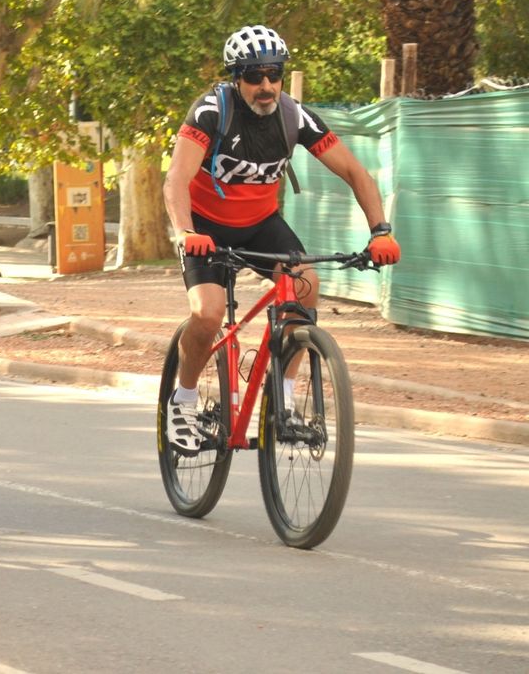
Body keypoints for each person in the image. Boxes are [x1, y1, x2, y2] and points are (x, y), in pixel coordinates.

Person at [161, 24, 401, 455]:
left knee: (306, 285)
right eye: (255, 76)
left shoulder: (295, 117)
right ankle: (184, 400)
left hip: (260, 223)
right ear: (238, 78)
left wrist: (380, 231)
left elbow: (355, 172)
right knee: (209, 313)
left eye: (274, 74)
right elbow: (176, 179)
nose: (267, 85)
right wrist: (186, 231)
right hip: (205, 228)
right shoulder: (211, 113)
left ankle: (284, 402)